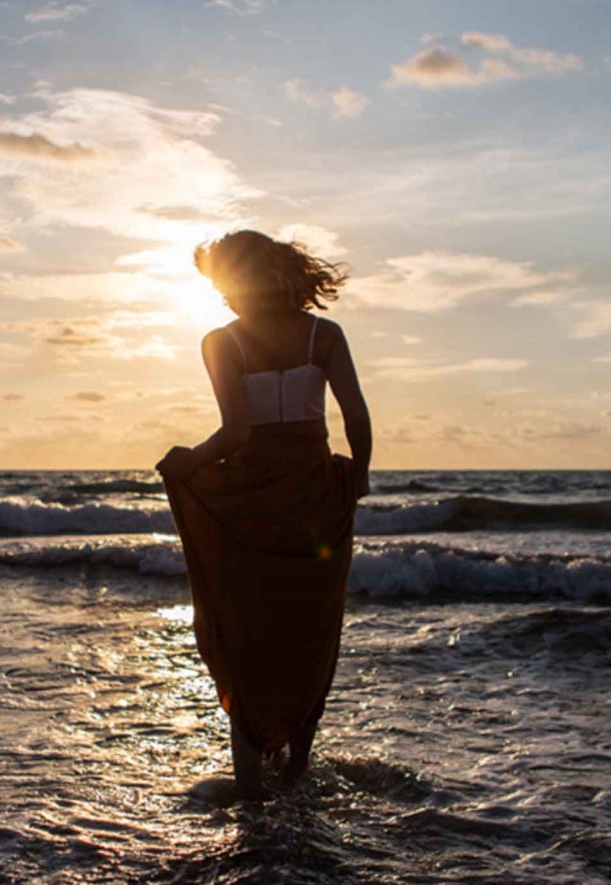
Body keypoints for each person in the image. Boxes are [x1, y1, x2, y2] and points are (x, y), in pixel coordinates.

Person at [156, 229, 372, 802]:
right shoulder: (323, 335)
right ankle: (297, 775)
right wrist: (361, 477)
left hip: (252, 501)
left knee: (248, 635)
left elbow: (237, 432)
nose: (222, 293)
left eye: (224, 280)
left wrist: (189, 461)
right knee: (311, 632)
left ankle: (251, 787)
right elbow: (355, 415)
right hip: (315, 498)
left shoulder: (221, 342)